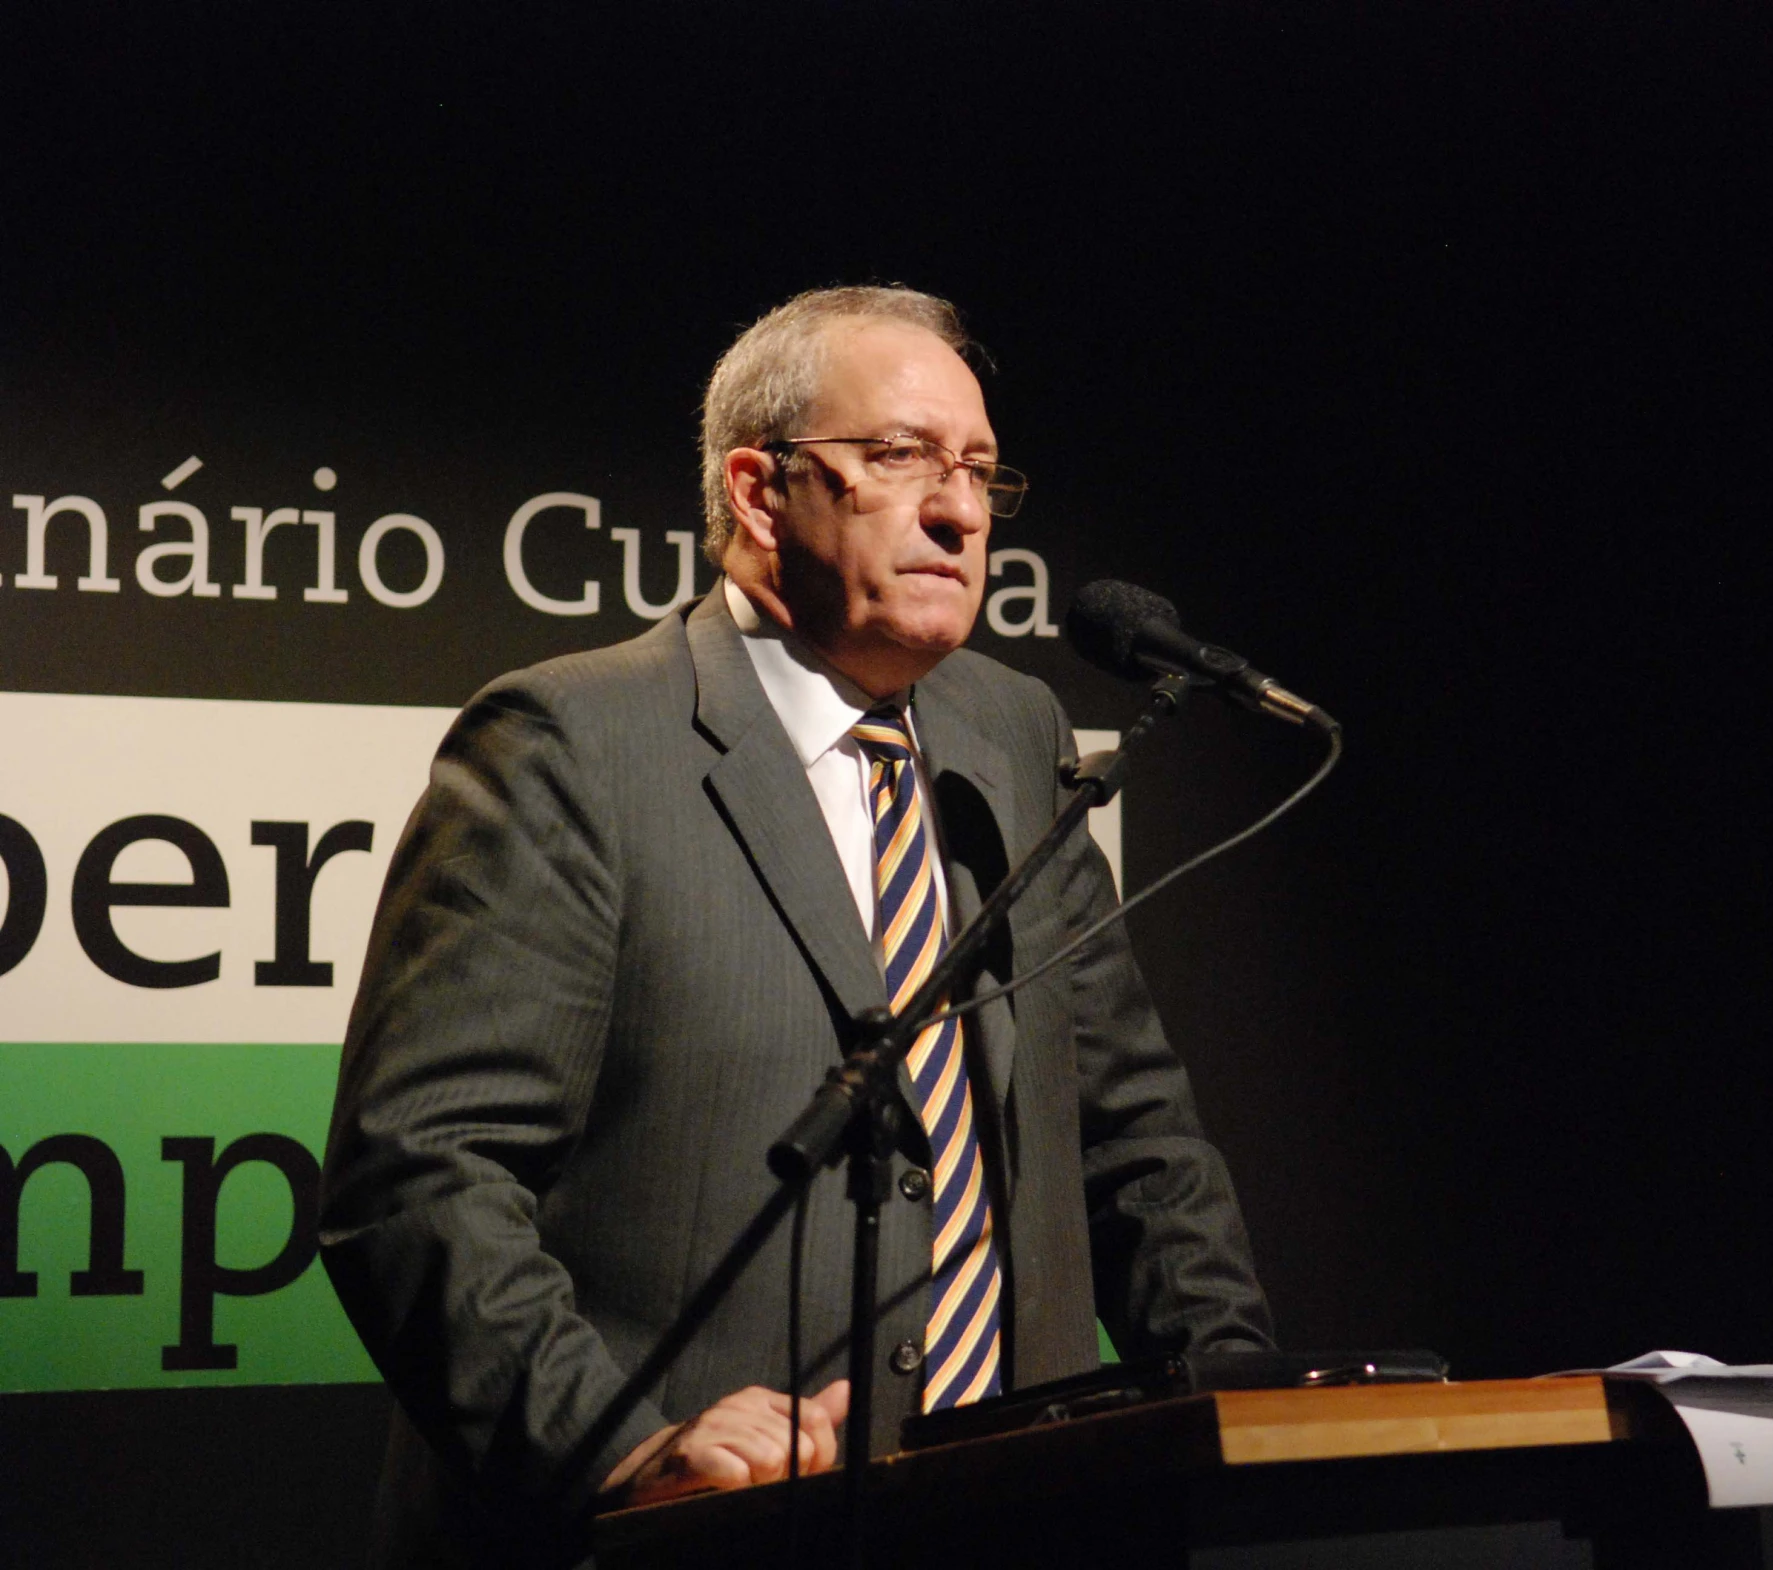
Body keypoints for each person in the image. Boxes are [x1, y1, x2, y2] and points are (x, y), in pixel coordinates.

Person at [319, 285, 1273, 1568]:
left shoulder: (1013, 734)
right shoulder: (575, 745)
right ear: (761, 495)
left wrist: (1243, 1410)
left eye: (980, 471)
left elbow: (1132, 1130)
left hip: (1022, 1518)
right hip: (699, 1538)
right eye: (898, 457)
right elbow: (419, 1174)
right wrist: (623, 1451)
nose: (957, 509)